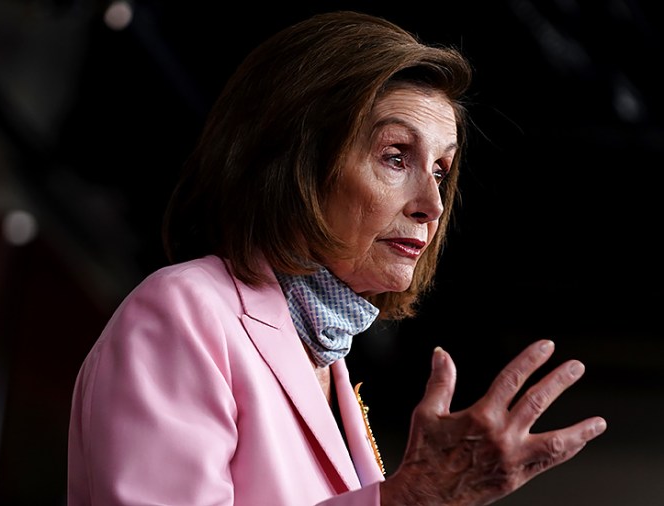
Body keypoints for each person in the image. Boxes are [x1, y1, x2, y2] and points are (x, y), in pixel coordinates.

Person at [67, 10, 607, 506]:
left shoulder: (330, 355)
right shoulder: (183, 311)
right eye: (396, 157)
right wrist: (408, 499)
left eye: (441, 170)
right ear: (298, 163)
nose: (433, 205)